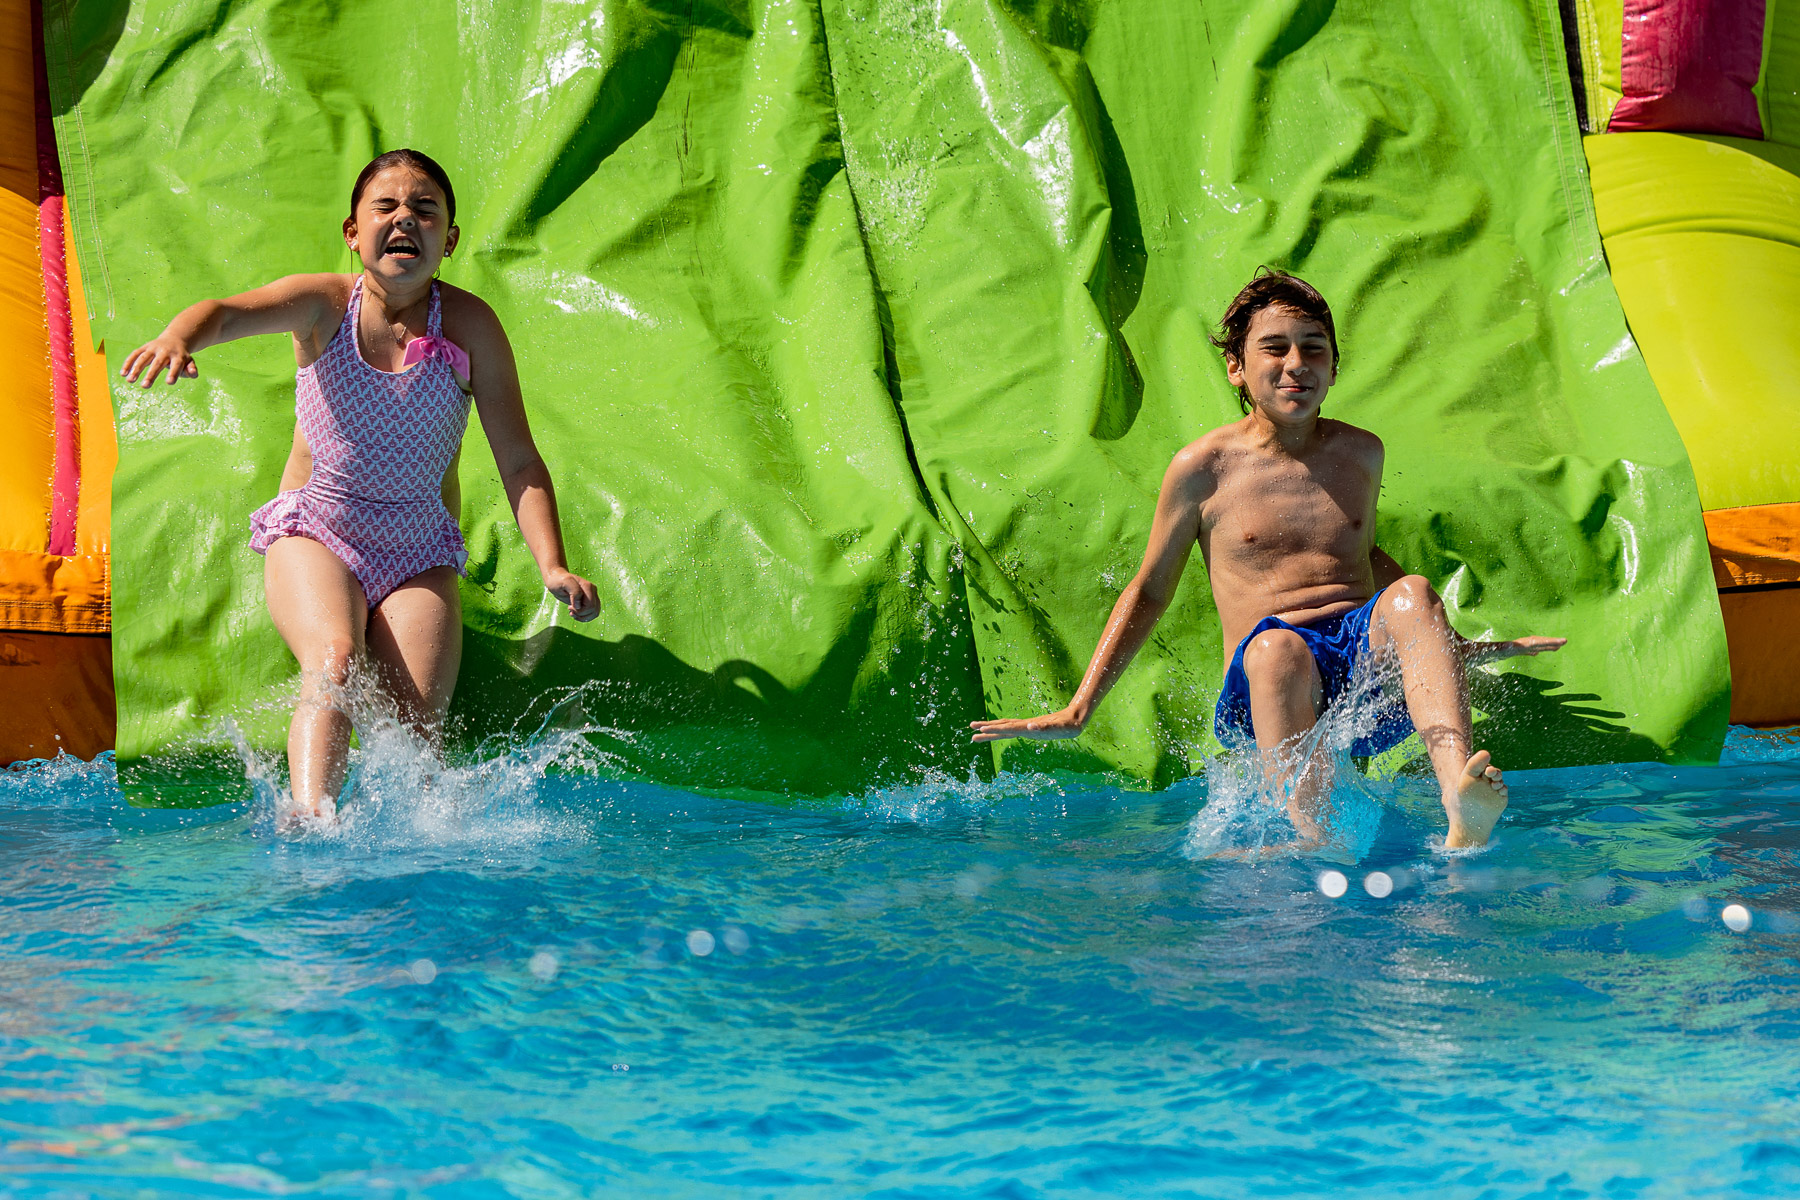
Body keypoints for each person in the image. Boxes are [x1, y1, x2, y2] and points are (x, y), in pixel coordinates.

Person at [970, 269, 1565, 849]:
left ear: (1334, 368)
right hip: (1270, 674)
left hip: (1357, 666)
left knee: (1413, 588)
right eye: (1274, 348)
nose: (1295, 365)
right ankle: (1313, 838)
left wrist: (1443, 640)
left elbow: (1362, 554)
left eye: (1313, 349)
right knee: (1278, 649)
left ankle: (1459, 799)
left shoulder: (1361, 453)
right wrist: (1081, 706)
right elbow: (1151, 589)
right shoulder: (1203, 470)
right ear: (1237, 367)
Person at [121, 148, 599, 826]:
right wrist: (179, 337)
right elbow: (226, 312)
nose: (405, 218)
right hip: (319, 533)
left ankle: (410, 851)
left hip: (417, 553)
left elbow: (519, 460)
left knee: (416, 731)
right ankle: (310, 820)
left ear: (449, 240)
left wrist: (552, 563)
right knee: (335, 658)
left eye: (425, 210)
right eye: (387, 207)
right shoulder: (323, 306)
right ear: (354, 232)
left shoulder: (470, 327)